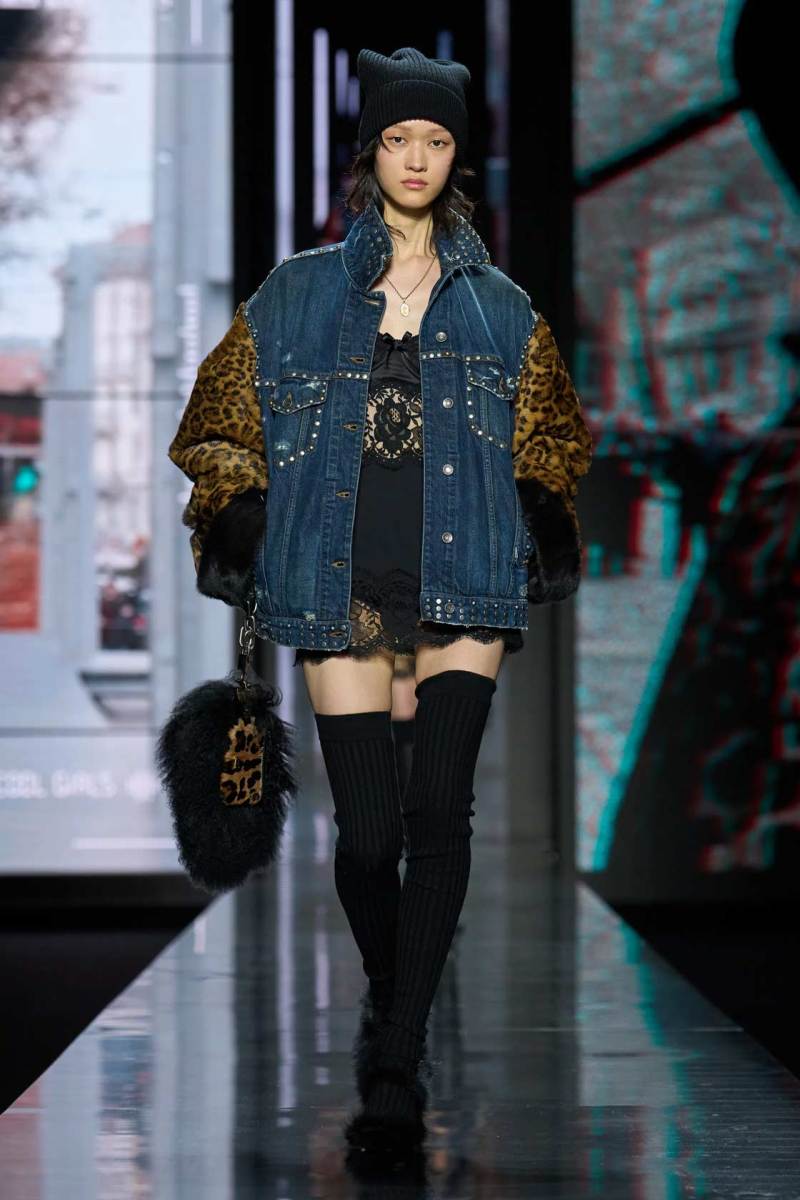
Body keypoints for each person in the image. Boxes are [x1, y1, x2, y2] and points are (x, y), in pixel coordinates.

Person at [167, 46, 593, 1160]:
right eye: (398, 139)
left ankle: (394, 1063)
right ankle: (392, 994)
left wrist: (543, 512)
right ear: (370, 152)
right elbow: (215, 425)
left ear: (456, 157)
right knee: (364, 837)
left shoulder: (501, 308)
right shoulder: (296, 293)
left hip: (466, 575)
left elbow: (554, 434)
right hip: (335, 577)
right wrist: (240, 512)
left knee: (438, 811)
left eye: (436, 140)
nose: (415, 159)